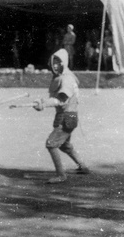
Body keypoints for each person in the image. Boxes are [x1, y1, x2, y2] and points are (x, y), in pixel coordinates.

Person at [32, 48, 89, 183]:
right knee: (64, 145)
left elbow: (61, 100)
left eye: (58, 62)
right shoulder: (63, 77)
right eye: (54, 62)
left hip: (66, 116)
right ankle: (83, 167)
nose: (55, 65)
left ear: (64, 63)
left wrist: (44, 103)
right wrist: (43, 102)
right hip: (66, 116)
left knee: (51, 144)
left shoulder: (67, 79)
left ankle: (61, 175)